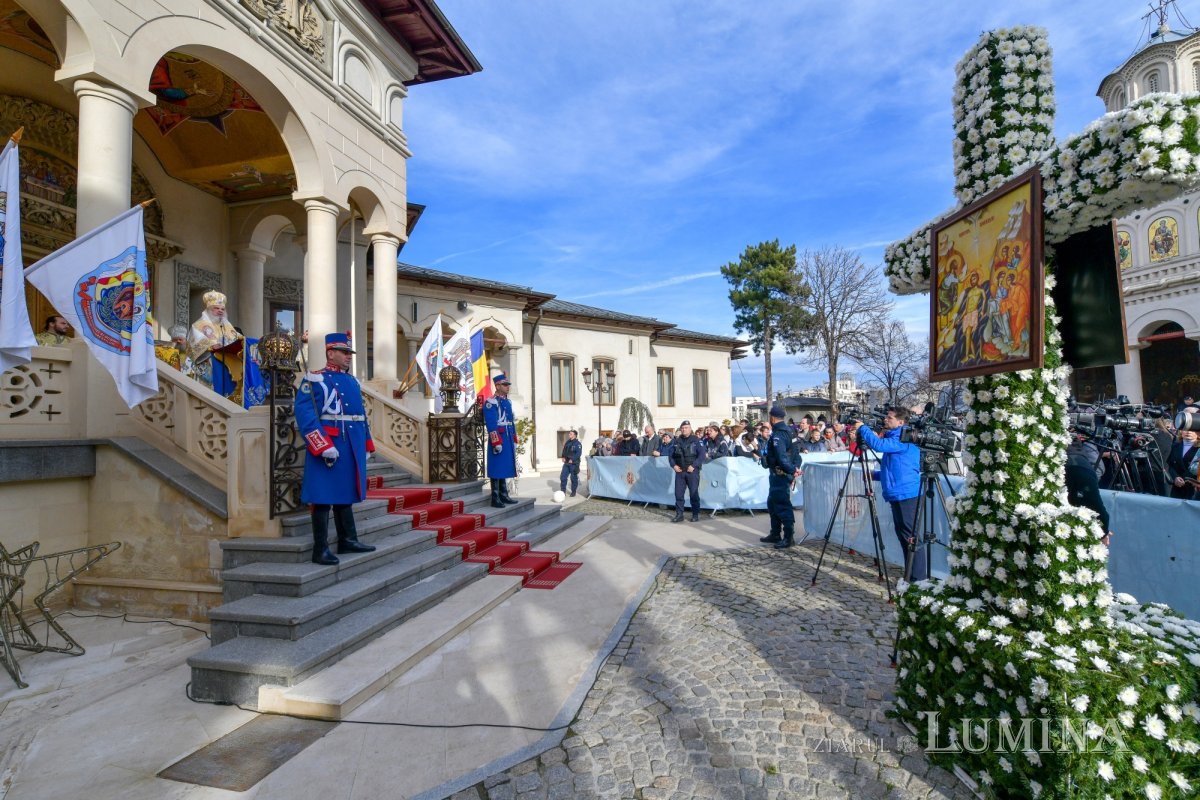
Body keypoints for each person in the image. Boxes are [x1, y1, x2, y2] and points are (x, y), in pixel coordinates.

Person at [294, 333, 377, 565]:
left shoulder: (352, 381)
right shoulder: (315, 379)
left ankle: (347, 539)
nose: (349, 357)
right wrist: (322, 445)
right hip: (329, 445)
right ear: (331, 353)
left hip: (350, 443)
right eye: (344, 352)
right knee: (322, 495)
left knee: (344, 492)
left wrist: (366, 444)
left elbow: (360, 416)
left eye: (350, 353)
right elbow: (305, 415)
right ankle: (320, 549)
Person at [851, 406, 924, 580]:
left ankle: (919, 578)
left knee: (911, 538)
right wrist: (875, 475)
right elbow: (895, 468)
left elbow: (878, 445)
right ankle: (910, 575)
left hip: (907, 494)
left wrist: (863, 428)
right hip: (898, 493)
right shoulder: (894, 436)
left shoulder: (904, 436)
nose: (885, 419)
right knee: (904, 536)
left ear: (901, 422)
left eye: (889, 417)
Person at [188, 290, 244, 402]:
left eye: (222, 309)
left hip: (229, 363)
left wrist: (244, 341)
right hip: (211, 363)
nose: (220, 311)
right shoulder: (199, 325)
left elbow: (238, 338)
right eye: (216, 308)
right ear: (209, 309)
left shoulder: (227, 326)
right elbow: (193, 344)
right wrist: (211, 345)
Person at [760, 405, 801, 548]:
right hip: (782, 473)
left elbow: (782, 457)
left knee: (782, 505)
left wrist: (792, 470)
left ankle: (788, 537)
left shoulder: (779, 434)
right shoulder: (790, 431)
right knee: (772, 503)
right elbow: (797, 454)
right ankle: (775, 533)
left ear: (772, 417)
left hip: (780, 474)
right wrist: (795, 468)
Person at [1066, 433, 1112, 546]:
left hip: (1077, 467)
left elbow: (1098, 510)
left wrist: (1103, 532)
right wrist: (1104, 533)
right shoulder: (1080, 470)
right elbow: (1099, 510)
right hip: (1077, 469)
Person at [484, 373, 520, 508]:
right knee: (497, 467)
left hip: (507, 436)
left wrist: (514, 439)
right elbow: (491, 424)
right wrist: (496, 442)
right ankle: (495, 497)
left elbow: (511, 422)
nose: (507, 387)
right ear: (497, 386)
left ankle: (504, 494)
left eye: (508, 385)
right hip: (499, 437)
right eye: (505, 385)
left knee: (504, 466)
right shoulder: (491, 402)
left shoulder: (507, 401)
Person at [669, 420, 705, 522]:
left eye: (686, 428)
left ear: (690, 428)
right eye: (683, 428)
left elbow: (702, 455)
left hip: (692, 472)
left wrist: (694, 466)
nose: (684, 429)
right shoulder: (676, 441)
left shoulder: (696, 440)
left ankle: (695, 514)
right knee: (678, 494)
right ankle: (679, 515)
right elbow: (670, 456)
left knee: (693, 493)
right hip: (680, 471)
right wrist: (674, 465)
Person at [1166, 428, 1200, 500]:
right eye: (1186, 429)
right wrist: (1175, 477)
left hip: (1193, 489)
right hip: (1176, 488)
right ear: (1181, 431)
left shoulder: (1199, 449)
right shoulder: (1174, 446)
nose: (1188, 432)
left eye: (1192, 430)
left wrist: (1186, 479)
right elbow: (1169, 464)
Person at [559, 429, 583, 497]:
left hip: (574, 464)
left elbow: (578, 453)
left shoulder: (578, 444)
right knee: (563, 477)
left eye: (571, 434)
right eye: (569, 433)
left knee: (573, 478)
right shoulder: (568, 442)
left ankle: (573, 491)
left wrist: (572, 459)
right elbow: (564, 450)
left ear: (574, 435)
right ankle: (563, 491)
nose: (569, 434)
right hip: (566, 463)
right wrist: (563, 456)